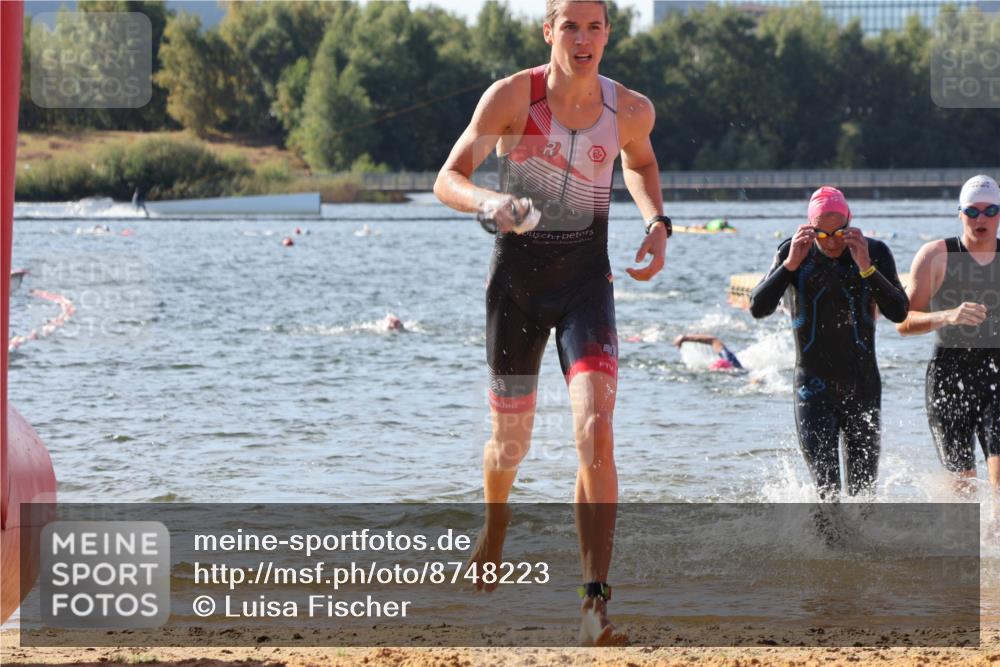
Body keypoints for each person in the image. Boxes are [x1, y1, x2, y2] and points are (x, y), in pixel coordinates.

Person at [433, 0, 668, 646]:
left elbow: (641, 163)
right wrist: (490, 200)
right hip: (515, 291)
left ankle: (594, 602)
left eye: (595, 27)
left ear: (608, 33)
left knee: (596, 430)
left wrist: (657, 222)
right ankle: (495, 526)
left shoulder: (630, 110)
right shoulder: (513, 98)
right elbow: (448, 178)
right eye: (570, 26)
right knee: (510, 445)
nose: (583, 39)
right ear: (549, 31)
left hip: (586, 288)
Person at [749, 187, 908, 500]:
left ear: (850, 221)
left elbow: (899, 312)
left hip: (862, 386)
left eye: (840, 232)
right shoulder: (793, 251)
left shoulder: (874, 251)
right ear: (810, 228)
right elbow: (758, 308)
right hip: (812, 389)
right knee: (827, 493)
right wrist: (789, 265)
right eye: (822, 234)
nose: (833, 241)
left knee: (863, 496)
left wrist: (866, 267)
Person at [896, 174, 1000, 495]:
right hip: (949, 380)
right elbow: (903, 322)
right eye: (972, 211)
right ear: (960, 213)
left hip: (997, 377)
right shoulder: (936, 256)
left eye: (990, 210)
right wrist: (947, 316)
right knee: (962, 489)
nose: (981, 219)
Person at [673, 333, 743, 371]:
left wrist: (685, 338)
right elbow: (713, 340)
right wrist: (685, 338)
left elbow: (713, 340)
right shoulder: (732, 362)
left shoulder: (732, 363)